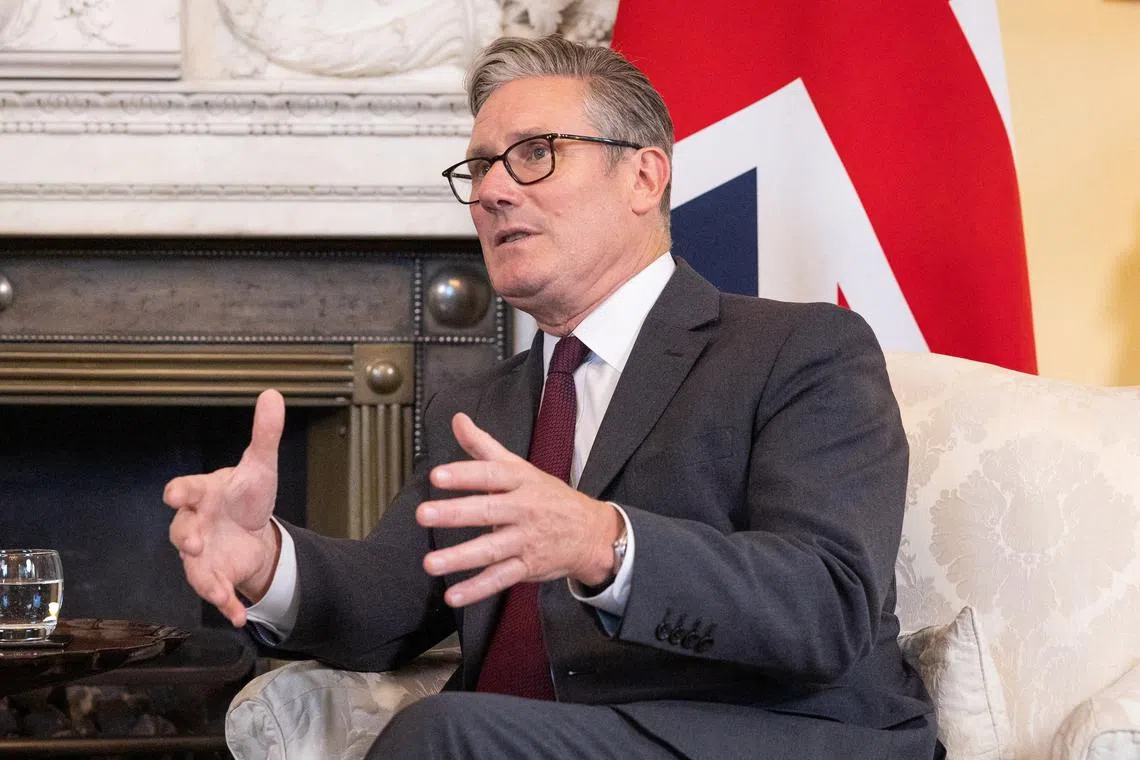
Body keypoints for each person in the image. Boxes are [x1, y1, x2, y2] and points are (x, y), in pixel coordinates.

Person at [165, 35, 939, 759]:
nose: (494, 191)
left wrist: (605, 542)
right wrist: (269, 561)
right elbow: (391, 603)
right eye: (480, 169)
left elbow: (827, 605)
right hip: (528, 736)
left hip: (756, 737)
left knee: (440, 735)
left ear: (643, 176)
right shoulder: (480, 406)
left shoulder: (798, 350)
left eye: (534, 155)